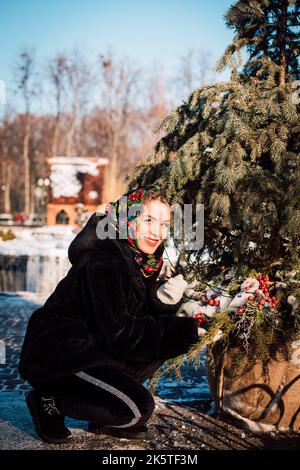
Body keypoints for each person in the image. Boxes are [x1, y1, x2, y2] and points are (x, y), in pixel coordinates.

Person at [18, 184, 201, 444]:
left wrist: (164, 302)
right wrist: (184, 330)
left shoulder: (141, 259)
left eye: (163, 223)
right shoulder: (106, 260)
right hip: (63, 353)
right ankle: (49, 399)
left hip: (95, 345)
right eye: (148, 220)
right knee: (137, 409)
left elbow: (131, 316)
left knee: (153, 354)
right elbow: (121, 335)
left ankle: (101, 408)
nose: (157, 231)